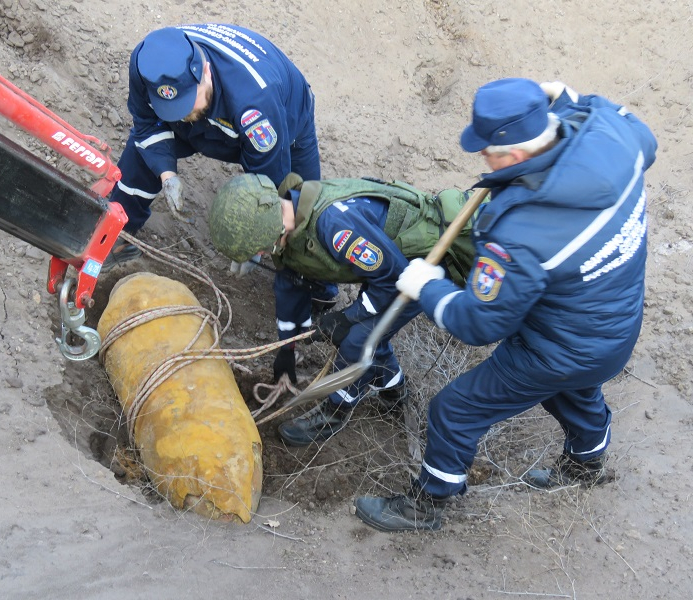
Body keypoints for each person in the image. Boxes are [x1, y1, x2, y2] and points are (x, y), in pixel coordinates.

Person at [353, 78, 658, 532]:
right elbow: (634, 131)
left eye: (486, 152)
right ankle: (586, 464)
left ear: (512, 156)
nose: (481, 156)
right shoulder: (613, 136)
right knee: (574, 388)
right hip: (613, 327)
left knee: (454, 411)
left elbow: (478, 324)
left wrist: (428, 286)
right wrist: (567, 96)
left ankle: (427, 504)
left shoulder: (520, 230)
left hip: (559, 347)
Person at [104, 23, 336, 355]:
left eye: (188, 102)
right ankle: (115, 238)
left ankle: (319, 295)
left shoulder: (256, 104)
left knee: (300, 212)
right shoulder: (147, 65)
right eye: (173, 107)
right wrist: (167, 175)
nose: (184, 114)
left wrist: (256, 245)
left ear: (205, 72)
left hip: (286, 121)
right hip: (217, 119)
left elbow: (269, 188)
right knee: (139, 160)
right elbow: (145, 124)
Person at [208, 172, 480, 446]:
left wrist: (349, 317)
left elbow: (393, 280)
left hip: (420, 266)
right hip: (387, 263)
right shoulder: (290, 219)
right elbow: (290, 285)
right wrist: (286, 349)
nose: (260, 255)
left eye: (258, 249)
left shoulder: (334, 227)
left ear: (268, 228)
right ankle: (394, 390)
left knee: (357, 339)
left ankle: (335, 412)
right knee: (373, 334)